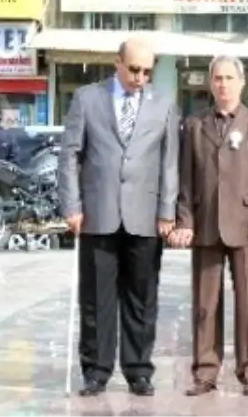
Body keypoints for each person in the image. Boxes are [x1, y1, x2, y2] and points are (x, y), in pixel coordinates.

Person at [57, 38, 180, 397]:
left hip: (145, 214)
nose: (140, 77)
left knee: (142, 298)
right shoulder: (87, 98)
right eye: (134, 69)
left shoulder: (164, 102)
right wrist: (71, 205)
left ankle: (138, 369)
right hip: (98, 213)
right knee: (97, 298)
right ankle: (96, 369)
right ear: (118, 63)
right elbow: (70, 155)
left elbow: (169, 161)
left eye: (147, 71)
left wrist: (167, 211)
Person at [171, 55, 248, 397]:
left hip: (247, 226)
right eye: (217, 78)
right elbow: (185, 179)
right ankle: (205, 371)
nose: (223, 84)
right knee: (205, 304)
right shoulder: (194, 125)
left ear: (242, 82)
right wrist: (184, 219)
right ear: (210, 82)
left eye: (229, 78)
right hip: (205, 224)